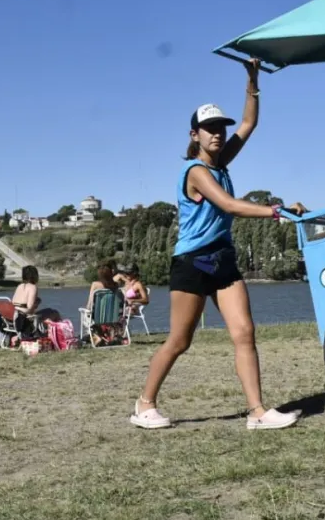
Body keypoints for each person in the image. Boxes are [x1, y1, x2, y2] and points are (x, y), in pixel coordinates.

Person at [130, 57, 308, 431]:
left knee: (244, 332)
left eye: (219, 129)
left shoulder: (222, 163)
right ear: (194, 134)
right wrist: (275, 211)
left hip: (222, 260)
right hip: (192, 262)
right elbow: (227, 205)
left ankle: (257, 412)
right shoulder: (194, 171)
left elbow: (248, 123)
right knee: (180, 340)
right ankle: (144, 404)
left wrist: (252, 82)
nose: (217, 134)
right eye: (209, 129)